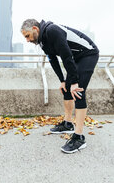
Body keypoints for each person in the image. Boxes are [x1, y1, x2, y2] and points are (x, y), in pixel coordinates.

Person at [21, 19, 99, 154]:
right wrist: (63, 80)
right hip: (76, 58)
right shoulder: (43, 41)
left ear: (35, 28)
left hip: (88, 54)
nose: (27, 40)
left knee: (78, 91)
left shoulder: (52, 31)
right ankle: (68, 124)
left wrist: (74, 83)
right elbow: (53, 60)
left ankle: (79, 137)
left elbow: (66, 55)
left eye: (27, 36)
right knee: (66, 90)